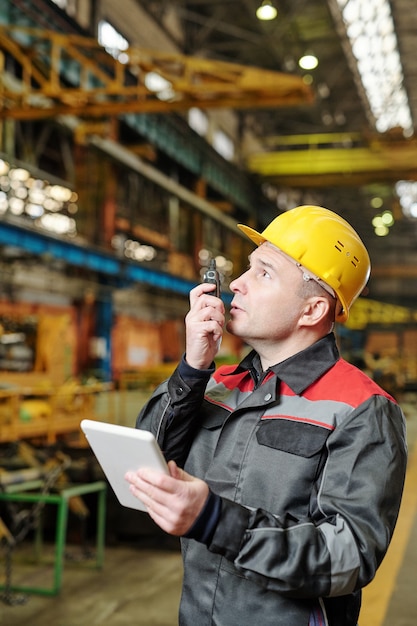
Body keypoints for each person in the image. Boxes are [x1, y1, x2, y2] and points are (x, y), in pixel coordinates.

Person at [125, 205, 407, 626]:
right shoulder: (217, 383)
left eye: (264, 273)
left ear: (311, 311)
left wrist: (215, 520)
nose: (237, 283)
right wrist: (191, 368)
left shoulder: (362, 409)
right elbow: (145, 468)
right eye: (247, 268)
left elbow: (349, 556)